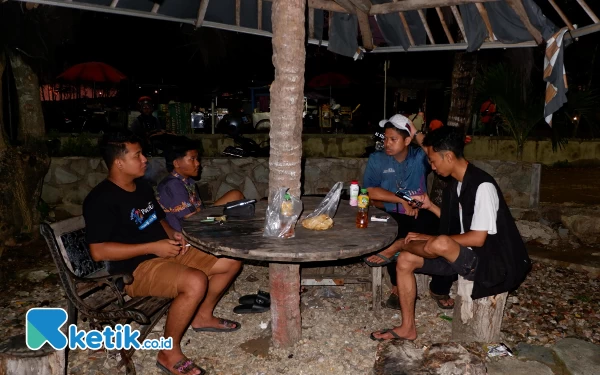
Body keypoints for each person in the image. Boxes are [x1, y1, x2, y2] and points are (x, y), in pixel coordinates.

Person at [83, 131, 242, 375]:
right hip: (135, 269)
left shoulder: (142, 187)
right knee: (195, 281)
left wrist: (172, 236)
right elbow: (98, 251)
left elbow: (158, 219)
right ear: (119, 162)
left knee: (230, 261)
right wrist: (152, 247)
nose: (145, 159)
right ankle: (168, 352)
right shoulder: (100, 199)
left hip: (164, 254)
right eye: (138, 155)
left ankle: (202, 317)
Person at [370, 126, 531, 341]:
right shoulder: (456, 185)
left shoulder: (482, 186)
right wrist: (429, 207)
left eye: (433, 159)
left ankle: (399, 244)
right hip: (463, 254)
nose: (431, 165)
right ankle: (407, 328)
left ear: (448, 156)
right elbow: (458, 224)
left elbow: (477, 238)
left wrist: (433, 239)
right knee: (407, 261)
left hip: (491, 262)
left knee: (441, 243)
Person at [362, 114, 455, 310]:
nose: (387, 143)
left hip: (421, 212)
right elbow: (370, 190)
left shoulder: (419, 157)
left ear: (406, 140)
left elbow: (434, 149)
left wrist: (415, 132)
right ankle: (397, 287)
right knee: (392, 233)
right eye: (385, 138)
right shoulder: (377, 159)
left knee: (450, 235)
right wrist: (402, 200)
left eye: (393, 139)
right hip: (392, 213)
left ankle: (439, 287)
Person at [156, 138, 245, 232]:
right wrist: (223, 218)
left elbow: (199, 211)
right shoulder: (173, 185)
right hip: (192, 231)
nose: (198, 163)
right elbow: (193, 221)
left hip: (200, 219)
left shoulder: (187, 181)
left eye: (197, 159)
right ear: (176, 163)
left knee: (235, 195)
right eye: (192, 159)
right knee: (232, 219)